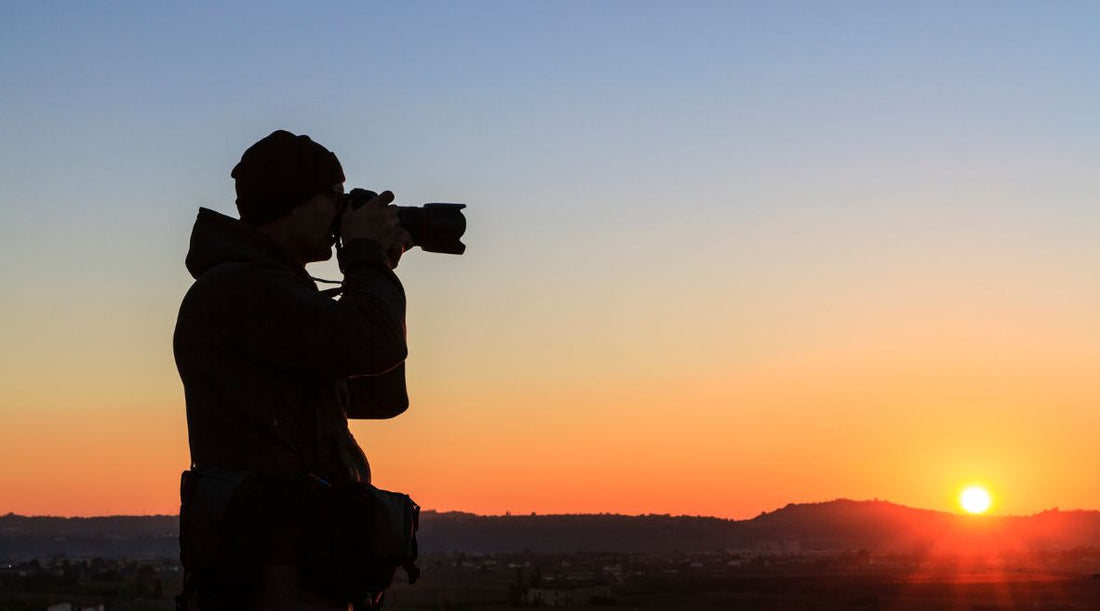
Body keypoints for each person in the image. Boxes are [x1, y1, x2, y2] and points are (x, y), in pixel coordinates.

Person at [174, 130, 413, 610]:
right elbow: (371, 343)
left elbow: (379, 395)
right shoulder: (242, 290)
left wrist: (376, 266)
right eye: (336, 196)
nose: (343, 212)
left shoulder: (275, 292)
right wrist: (368, 263)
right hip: (271, 571)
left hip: (299, 561)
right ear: (295, 201)